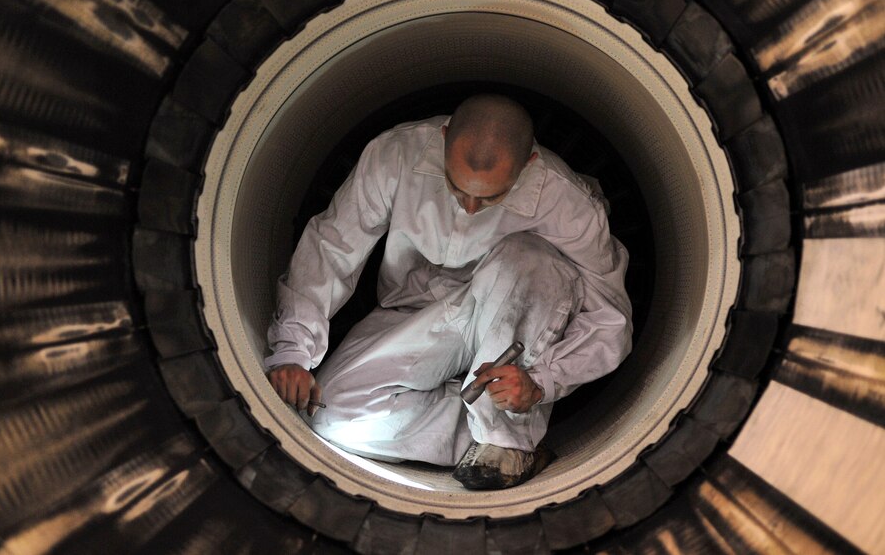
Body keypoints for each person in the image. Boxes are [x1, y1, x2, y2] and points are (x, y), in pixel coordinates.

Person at [264, 94, 632, 490]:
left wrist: (543, 380)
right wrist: (293, 350)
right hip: (416, 310)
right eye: (457, 188)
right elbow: (333, 248)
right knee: (331, 415)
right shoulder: (396, 155)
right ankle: (489, 429)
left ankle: (504, 442)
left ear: (528, 164)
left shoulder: (569, 203)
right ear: (442, 139)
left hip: (515, 312)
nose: (471, 208)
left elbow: (610, 319)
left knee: (529, 257)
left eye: (491, 196)